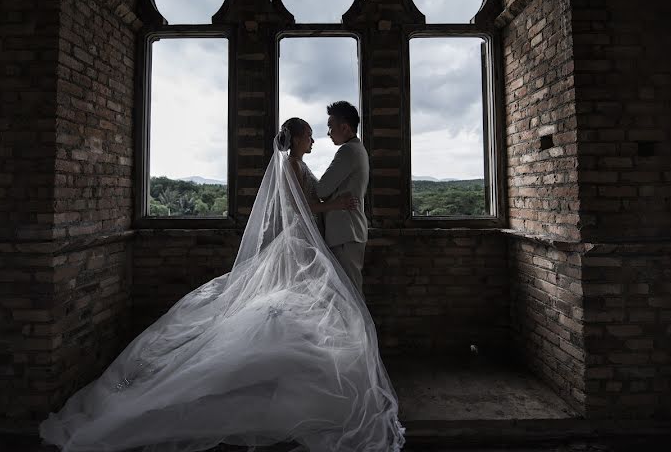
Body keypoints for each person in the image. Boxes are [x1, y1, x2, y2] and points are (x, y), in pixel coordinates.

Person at [39, 117, 405, 452]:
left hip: (300, 243)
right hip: (295, 242)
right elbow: (301, 209)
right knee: (286, 306)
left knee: (294, 305)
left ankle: (277, 367)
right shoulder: (291, 164)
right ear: (294, 140)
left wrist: (332, 201)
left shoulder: (296, 163)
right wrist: (337, 203)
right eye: (309, 134)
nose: (314, 139)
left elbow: (308, 200)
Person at [317, 101, 369, 296]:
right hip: (348, 232)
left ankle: (359, 328)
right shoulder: (357, 149)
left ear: (345, 127)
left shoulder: (348, 151)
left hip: (346, 232)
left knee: (350, 295)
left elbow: (322, 190)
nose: (329, 133)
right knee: (347, 293)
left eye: (331, 127)